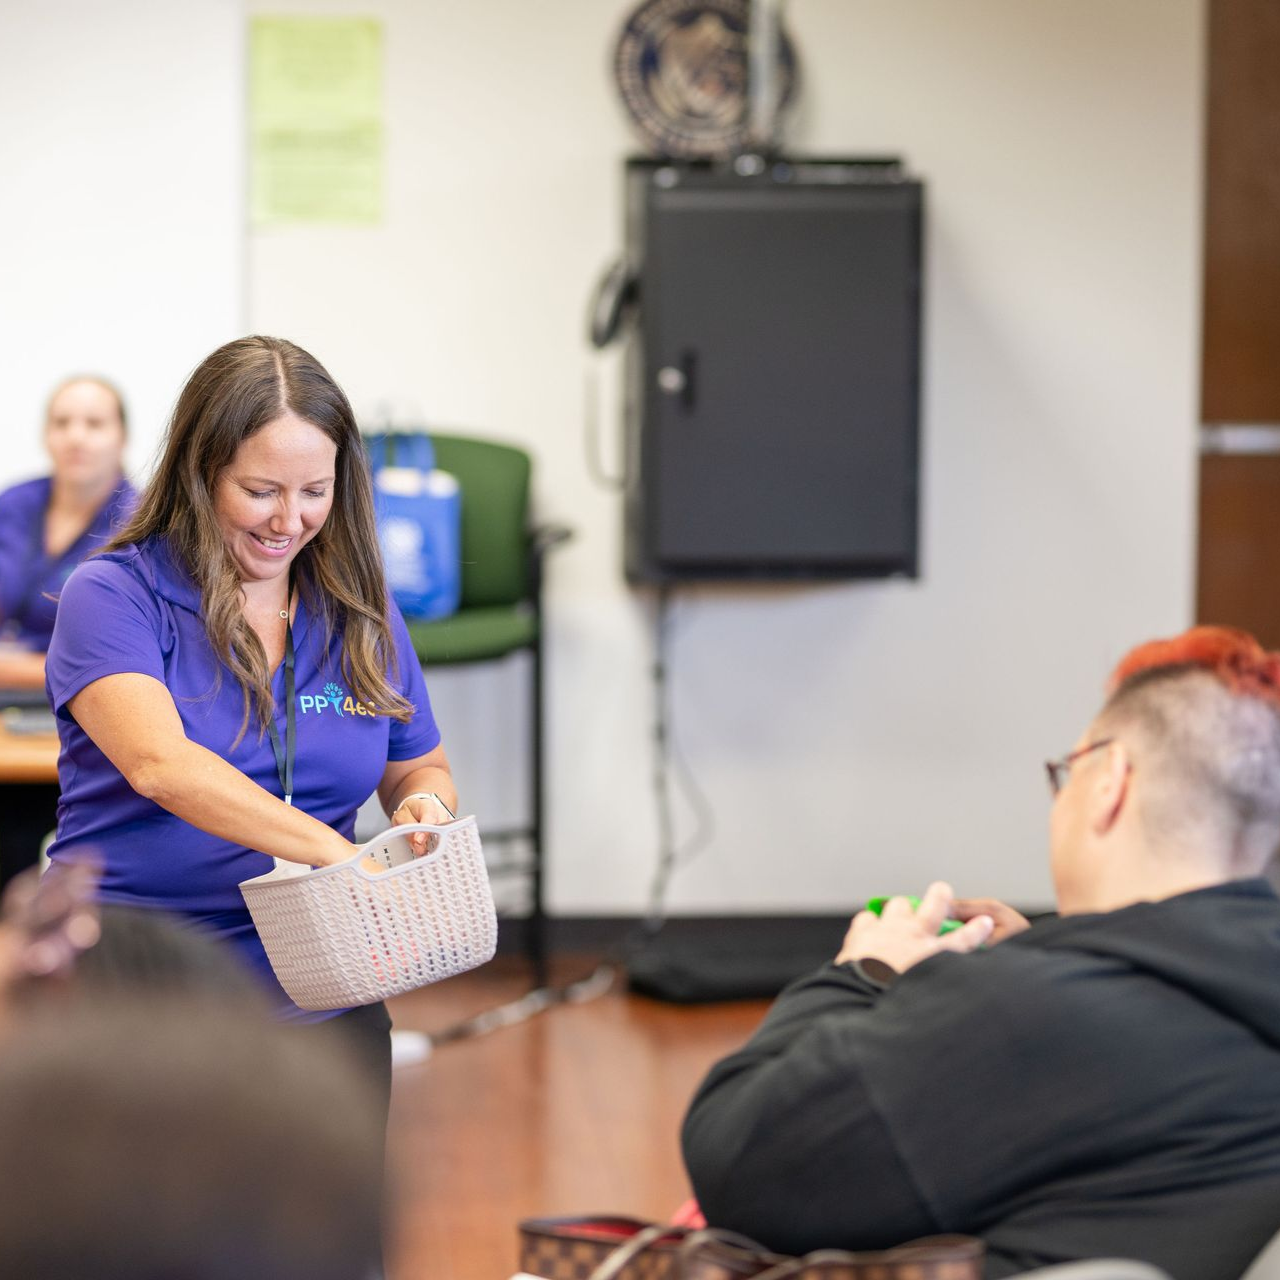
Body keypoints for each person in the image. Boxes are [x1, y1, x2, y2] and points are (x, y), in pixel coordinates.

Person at [681, 625, 1280, 1280]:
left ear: (1110, 780)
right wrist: (1062, 954)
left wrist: (865, 970)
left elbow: (736, 1162)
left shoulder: (1026, 1015)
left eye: (1066, 774)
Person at [43, 334, 458, 1119]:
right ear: (202, 475)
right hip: (142, 980)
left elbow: (417, 767)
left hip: (325, 976)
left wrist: (422, 811)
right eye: (262, 490)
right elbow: (162, 766)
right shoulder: (113, 595)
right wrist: (338, 854)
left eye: (315, 491)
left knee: (338, 1243)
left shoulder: (359, 612)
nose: (290, 521)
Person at [0, 375, 135, 688]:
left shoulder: (138, 525)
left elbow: (113, 658)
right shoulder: (14, 503)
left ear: (122, 438)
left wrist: (12, 671)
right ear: (46, 435)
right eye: (61, 423)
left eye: (94, 424)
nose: (76, 437)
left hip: (77, 699)